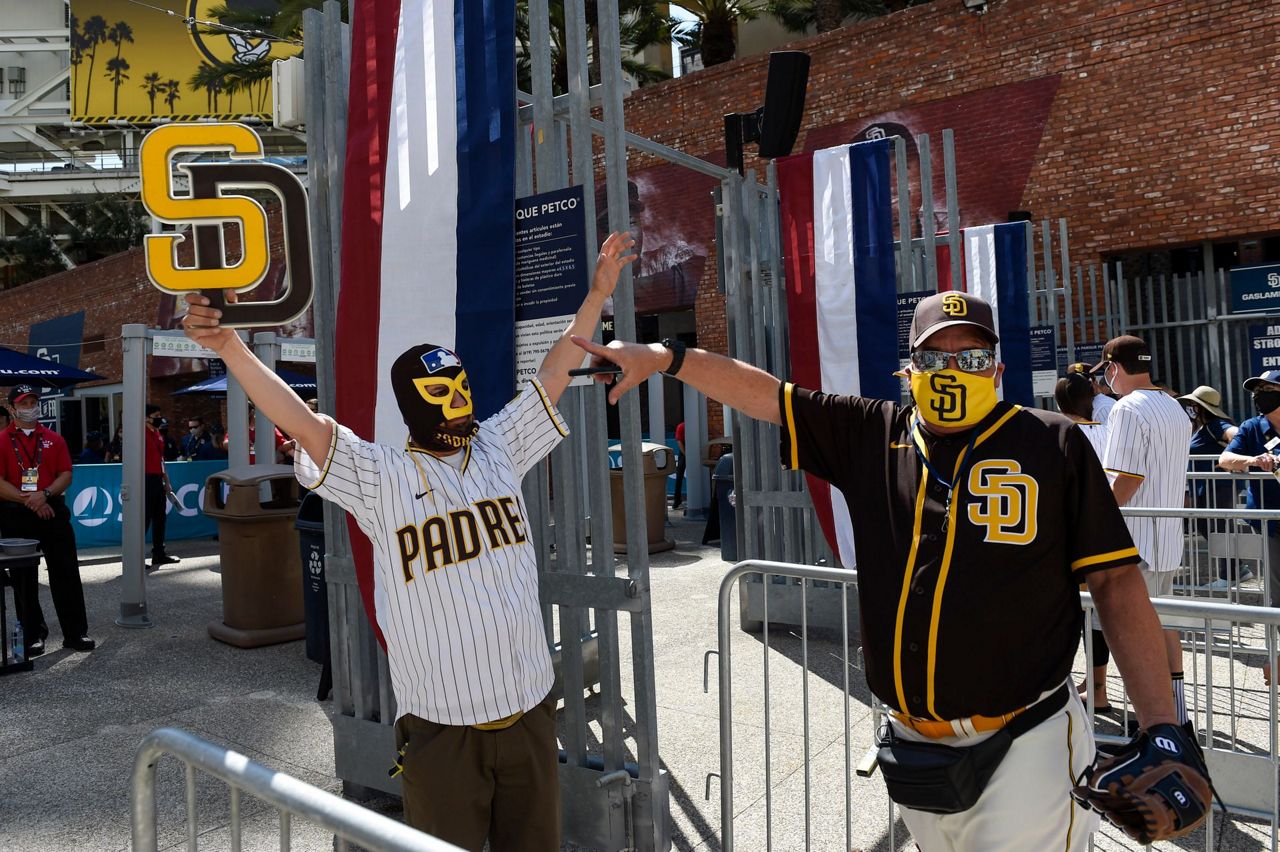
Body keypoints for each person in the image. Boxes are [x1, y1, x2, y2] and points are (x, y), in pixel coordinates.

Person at [576, 291, 1183, 851]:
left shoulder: (1053, 443)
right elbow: (764, 393)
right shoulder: (874, 433)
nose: (953, 368)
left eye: (971, 355)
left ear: (997, 367)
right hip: (915, 746)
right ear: (909, 368)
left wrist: (1161, 726)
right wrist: (663, 357)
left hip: (1027, 742)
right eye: (935, 354)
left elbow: (1115, 581)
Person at [182, 231, 637, 851]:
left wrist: (596, 297)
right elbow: (304, 423)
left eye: (461, 387)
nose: (457, 401)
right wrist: (231, 345)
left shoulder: (498, 446)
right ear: (409, 405)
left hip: (531, 708)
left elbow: (554, 370)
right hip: (443, 728)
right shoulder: (383, 479)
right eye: (439, 393)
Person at [1090, 336, 1192, 727]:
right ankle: (1176, 717)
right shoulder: (1174, 405)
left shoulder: (1127, 408)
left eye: (1108, 372)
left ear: (1114, 368)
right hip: (1167, 540)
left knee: (1132, 638)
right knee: (1164, 625)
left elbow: (1126, 480)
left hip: (1136, 540)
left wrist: (1097, 518)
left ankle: (1148, 725)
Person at [0, 385, 95, 655]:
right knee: (23, 577)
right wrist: (28, 499)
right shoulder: (3, 440)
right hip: (16, 511)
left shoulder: (54, 438)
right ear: (13, 408)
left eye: (33, 401)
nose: (30, 406)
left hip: (51, 507)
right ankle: (33, 634)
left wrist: (44, 495)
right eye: (24, 403)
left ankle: (76, 632)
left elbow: (66, 473)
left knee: (65, 571)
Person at [1055, 372, 1114, 712]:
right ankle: (1096, 685)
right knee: (1094, 617)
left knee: (1077, 616)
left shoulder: (1062, 434)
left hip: (1073, 535)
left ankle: (1094, 689)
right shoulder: (1107, 431)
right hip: (1102, 531)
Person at [1179, 385, 1244, 590]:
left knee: (1218, 530)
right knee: (1212, 529)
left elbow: (1236, 434)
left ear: (1199, 407)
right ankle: (1237, 569)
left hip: (1217, 487)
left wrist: (1232, 457)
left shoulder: (1216, 424)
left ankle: (1230, 575)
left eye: (1192, 404)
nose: (1189, 407)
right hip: (1206, 488)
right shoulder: (1203, 427)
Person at [144, 404, 180, 569]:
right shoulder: (140, 434)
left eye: (159, 415)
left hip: (157, 478)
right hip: (145, 479)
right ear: (146, 418)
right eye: (155, 415)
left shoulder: (157, 434)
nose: (159, 418)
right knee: (144, 519)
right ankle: (135, 556)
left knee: (160, 517)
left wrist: (167, 481)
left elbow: (161, 459)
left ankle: (159, 554)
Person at [671, 420, 686, 509]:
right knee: (679, 475)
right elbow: (680, 442)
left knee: (679, 476)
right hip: (683, 451)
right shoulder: (681, 426)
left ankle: (677, 500)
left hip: (690, 449)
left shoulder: (682, 426)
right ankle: (677, 500)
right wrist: (685, 454)